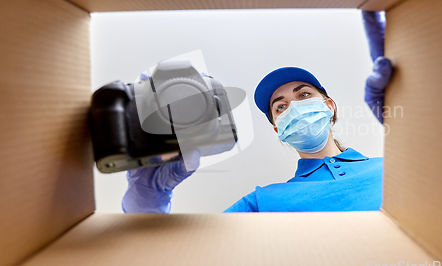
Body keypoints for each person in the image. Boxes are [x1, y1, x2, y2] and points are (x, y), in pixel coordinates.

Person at [122, 11, 393, 213]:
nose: (294, 106)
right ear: (279, 128)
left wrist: (414, 111)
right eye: (281, 106)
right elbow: (185, 258)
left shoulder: (394, 168)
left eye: (304, 94)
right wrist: (149, 198)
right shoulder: (263, 202)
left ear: (329, 105)